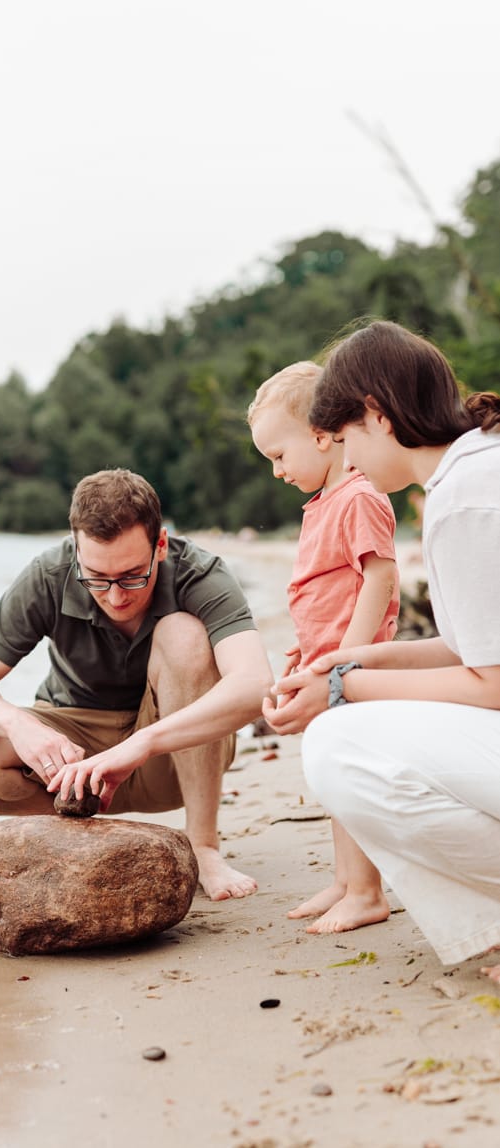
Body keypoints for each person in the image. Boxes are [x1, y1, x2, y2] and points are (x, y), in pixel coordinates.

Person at [263, 321, 500, 975]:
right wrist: (355, 660)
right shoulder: (477, 470)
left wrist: (339, 691)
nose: (350, 462)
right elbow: (469, 649)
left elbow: (493, 684)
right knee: (352, 718)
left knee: (338, 746)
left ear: (375, 415)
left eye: (343, 441)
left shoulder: (463, 499)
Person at [0, 468, 273, 900]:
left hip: (171, 756)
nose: (116, 597)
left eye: (133, 576)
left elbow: (255, 685)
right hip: (71, 756)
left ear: (161, 546)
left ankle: (203, 847)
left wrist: (144, 742)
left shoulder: (199, 573)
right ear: (77, 551)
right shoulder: (48, 575)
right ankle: (80, 832)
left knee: (183, 634)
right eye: (97, 578)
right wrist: (17, 724)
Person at [248, 361, 400, 933]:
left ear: (319, 435)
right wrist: (305, 651)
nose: (277, 471)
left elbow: (380, 579)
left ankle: (366, 891)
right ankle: (343, 880)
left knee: (350, 776)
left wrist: (343, 661)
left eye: (279, 456)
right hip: (327, 664)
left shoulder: (358, 496)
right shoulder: (324, 502)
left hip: (352, 669)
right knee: (331, 777)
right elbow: (323, 592)